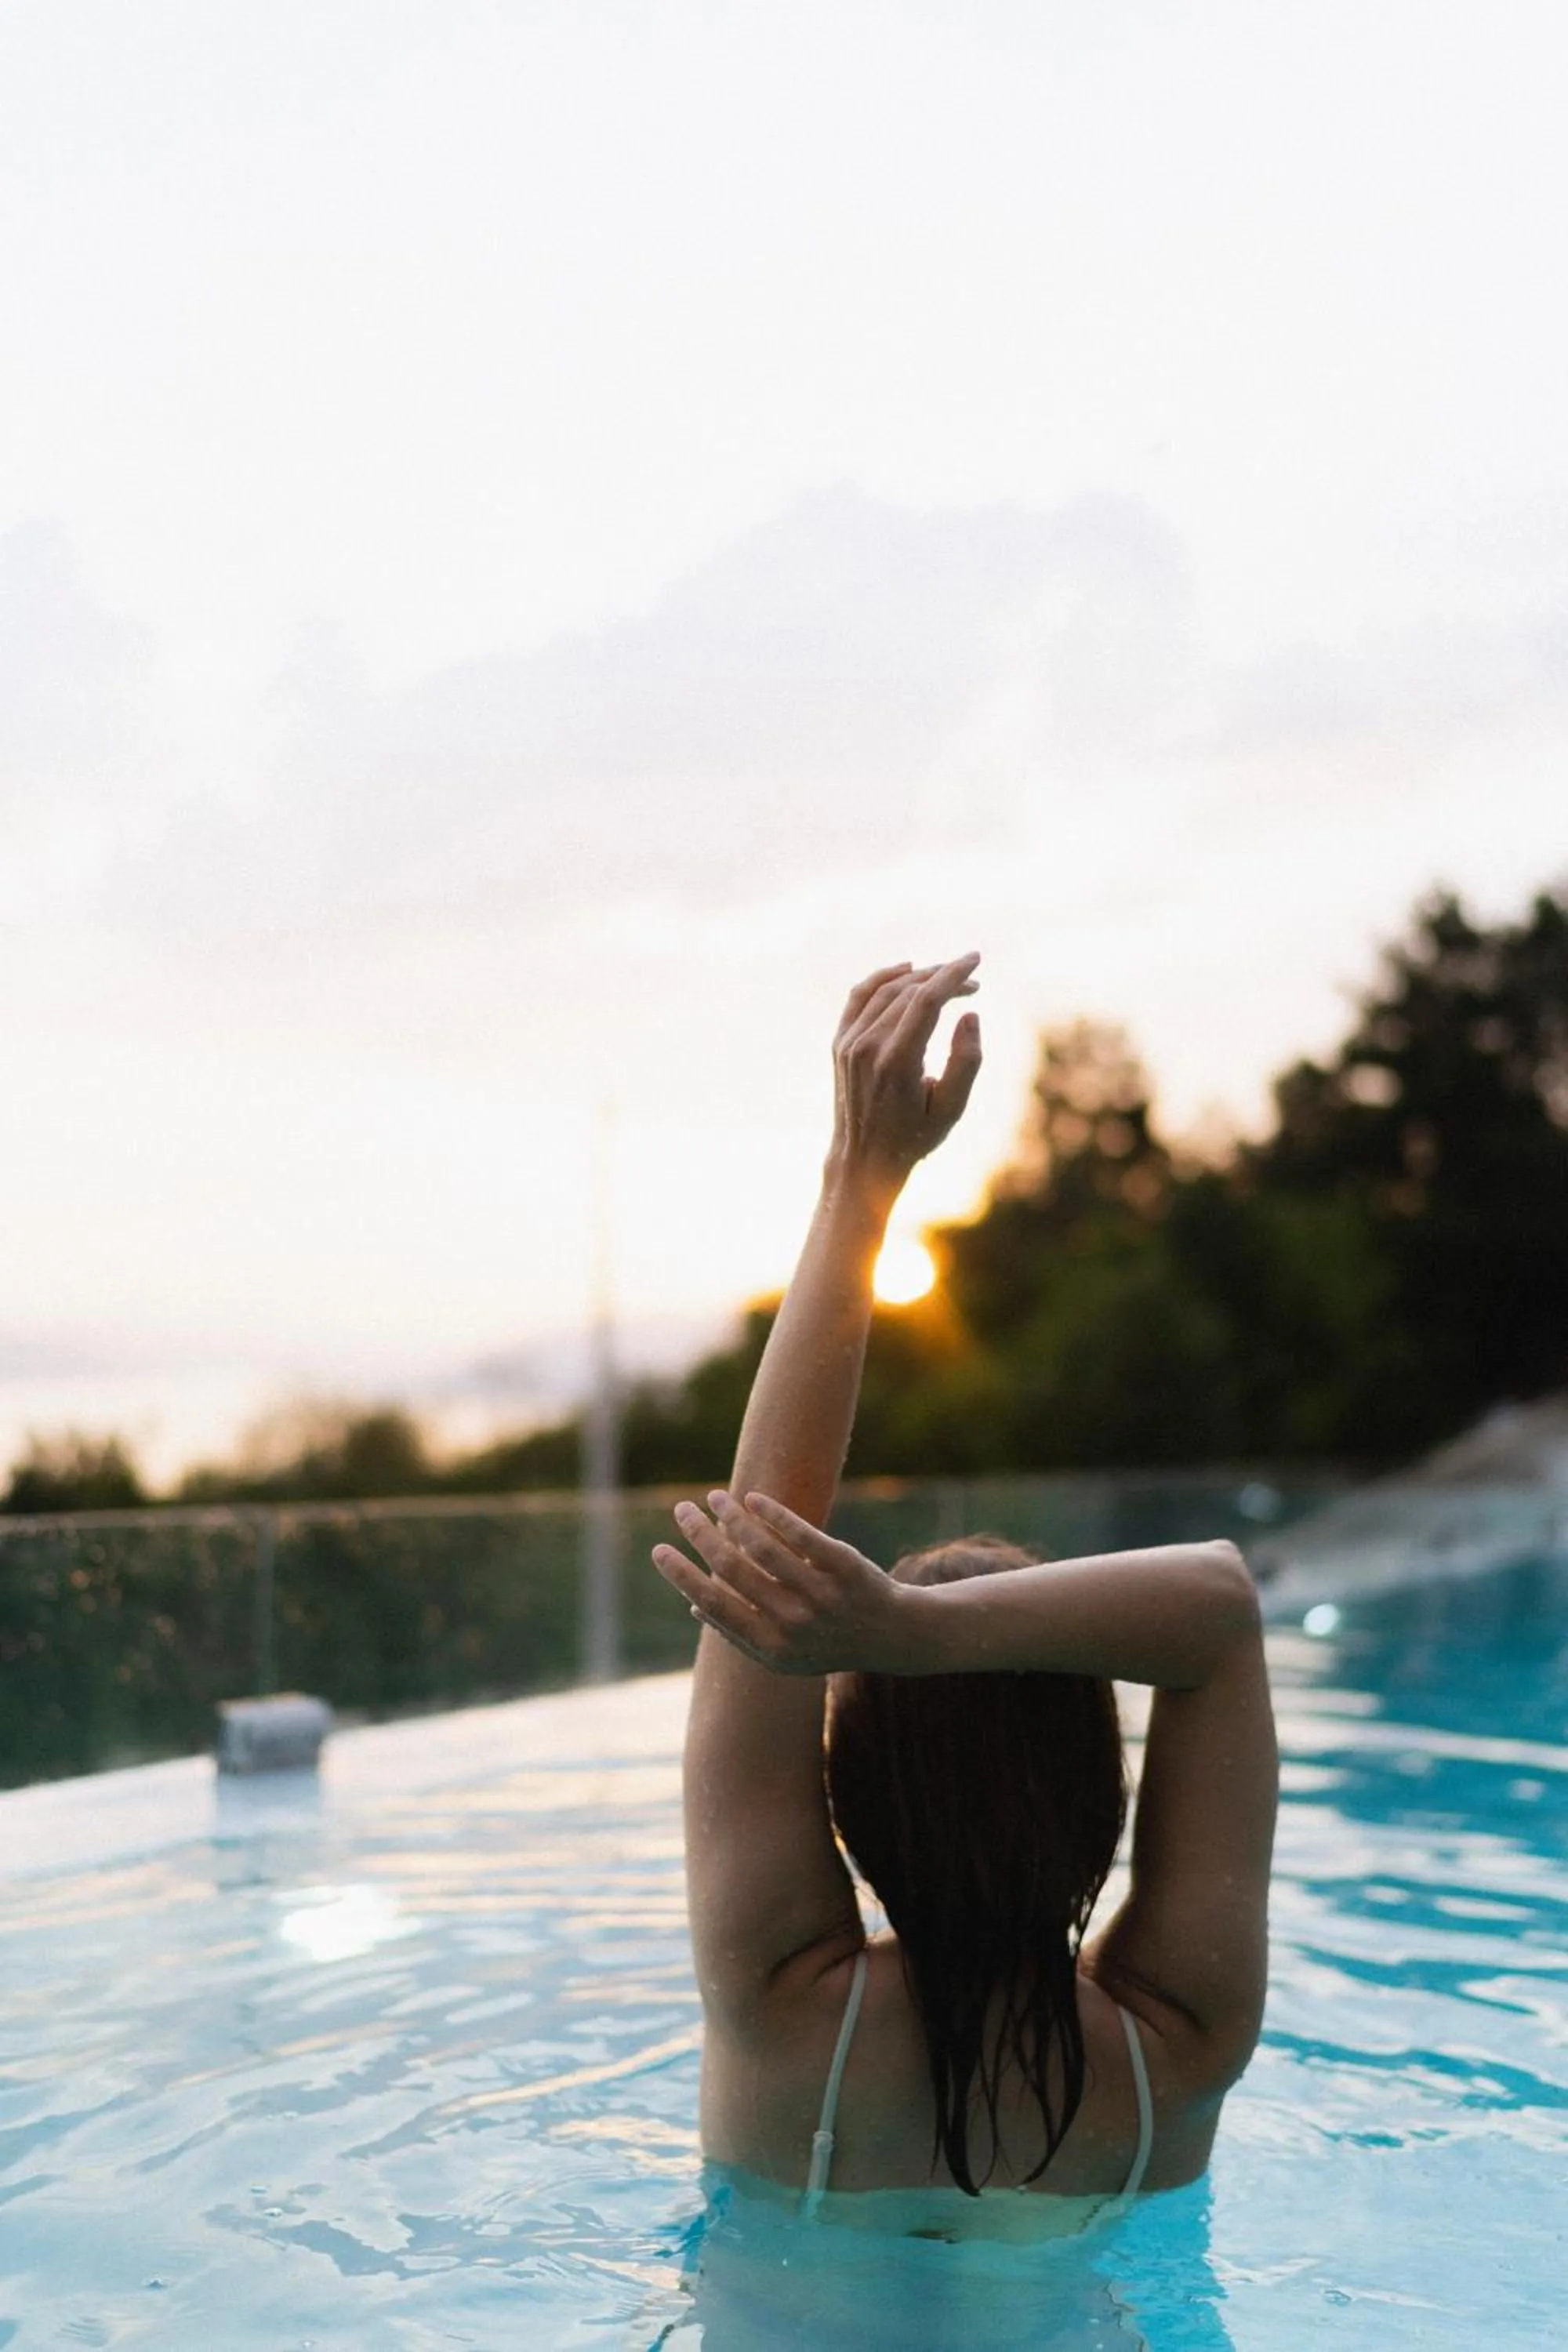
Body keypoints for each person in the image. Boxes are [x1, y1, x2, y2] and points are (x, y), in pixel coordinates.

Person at [651, 956, 1276, 2264]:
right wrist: (911, 1631)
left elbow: (766, 1531)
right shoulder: (1177, 2052)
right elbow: (1219, 1610)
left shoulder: (782, 2016)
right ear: (1099, 1794)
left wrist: (859, 1181)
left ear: (850, 1801)